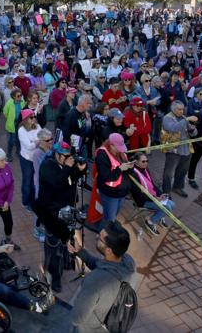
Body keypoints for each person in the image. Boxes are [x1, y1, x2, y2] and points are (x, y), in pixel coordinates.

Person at [35, 142, 87, 293]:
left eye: (69, 156)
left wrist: (81, 170)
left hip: (67, 210)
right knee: (53, 246)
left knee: (67, 239)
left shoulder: (66, 164)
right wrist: (68, 167)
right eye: (65, 156)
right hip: (52, 213)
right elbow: (57, 183)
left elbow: (72, 179)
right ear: (56, 154)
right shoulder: (47, 166)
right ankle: (55, 276)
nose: (68, 159)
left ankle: (66, 262)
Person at [67, 221, 135, 333]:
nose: (96, 237)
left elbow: (77, 318)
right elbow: (103, 266)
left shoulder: (95, 282)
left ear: (109, 250)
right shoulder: (128, 262)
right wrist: (80, 251)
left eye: (100, 238)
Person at [130, 153, 176, 235]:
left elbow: (153, 185)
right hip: (143, 200)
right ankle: (150, 221)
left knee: (172, 203)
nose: (146, 163)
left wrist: (161, 194)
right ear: (136, 162)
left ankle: (160, 216)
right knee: (166, 207)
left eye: (147, 161)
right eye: (143, 161)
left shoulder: (145, 169)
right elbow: (138, 194)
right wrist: (154, 198)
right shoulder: (133, 174)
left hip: (153, 197)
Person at [92, 133, 133, 223]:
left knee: (112, 216)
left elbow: (124, 171)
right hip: (111, 194)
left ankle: (106, 233)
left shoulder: (120, 153)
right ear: (111, 145)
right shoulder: (102, 155)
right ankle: (103, 235)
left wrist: (130, 166)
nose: (120, 150)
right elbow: (106, 176)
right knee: (109, 220)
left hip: (121, 192)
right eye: (119, 147)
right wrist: (120, 169)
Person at [160, 101, 198, 198]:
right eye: (179, 109)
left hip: (186, 149)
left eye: (182, 109)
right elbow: (174, 128)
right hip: (173, 149)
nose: (182, 111)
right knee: (169, 172)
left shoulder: (183, 118)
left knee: (183, 170)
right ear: (173, 109)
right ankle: (166, 192)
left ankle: (178, 187)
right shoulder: (167, 118)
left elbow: (194, 134)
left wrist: (193, 129)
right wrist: (187, 119)